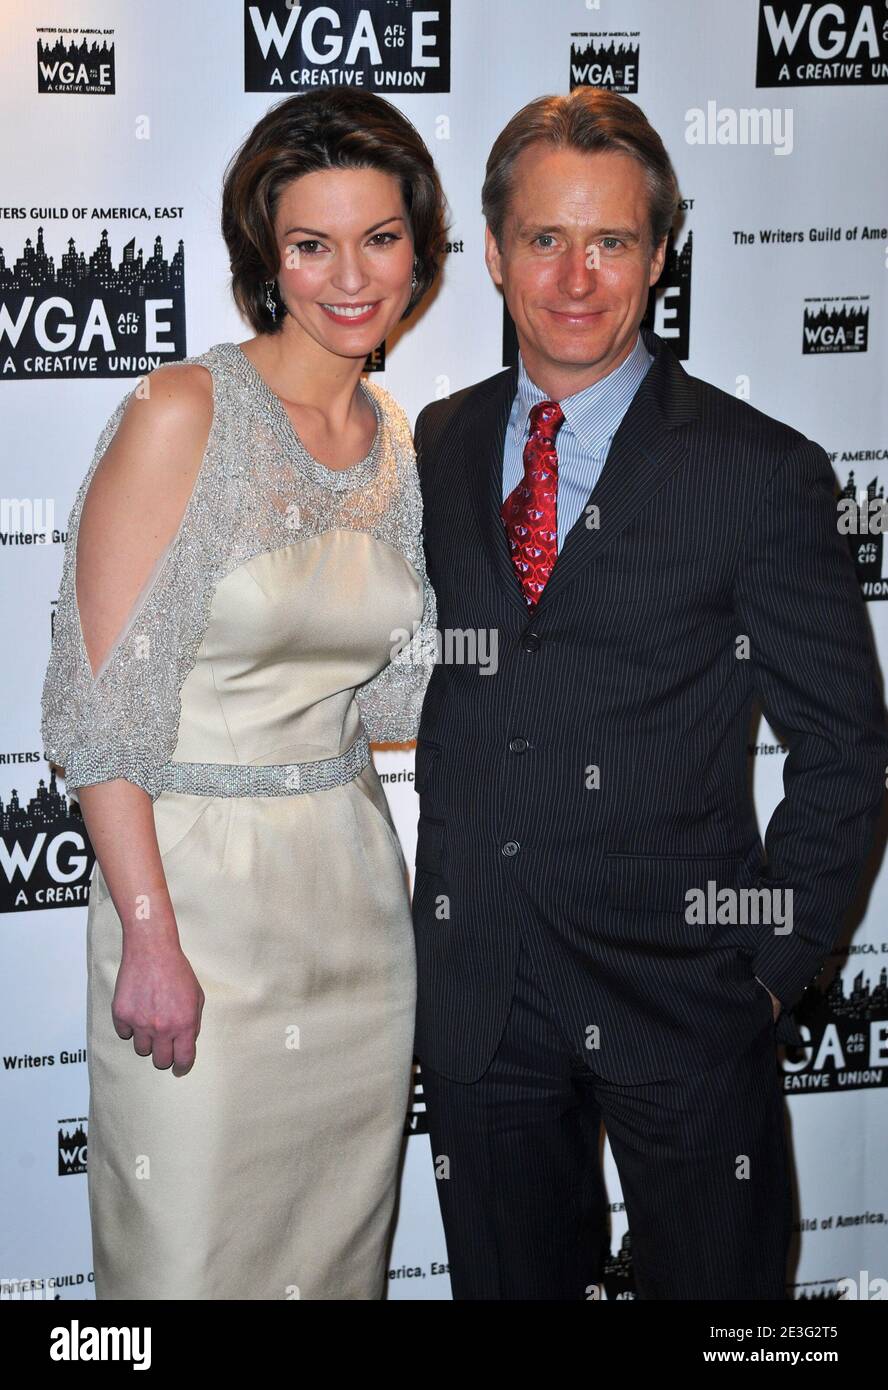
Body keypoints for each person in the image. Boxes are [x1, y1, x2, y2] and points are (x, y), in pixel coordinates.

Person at [410, 87, 888, 1300]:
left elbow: (844, 753)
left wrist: (767, 973)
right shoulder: (439, 444)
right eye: (546, 238)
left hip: (685, 1005)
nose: (577, 276)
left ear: (662, 254)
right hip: (484, 1015)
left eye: (613, 240)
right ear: (496, 250)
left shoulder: (759, 471)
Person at [40, 88, 444, 1300]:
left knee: (334, 1266)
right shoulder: (184, 414)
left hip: (355, 916)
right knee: (189, 1264)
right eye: (312, 244)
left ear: (420, 248)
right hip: (200, 913)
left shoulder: (400, 439)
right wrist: (150, 937)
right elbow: (96, 712)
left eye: (379, 237)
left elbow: (400, 705)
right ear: (267, 258)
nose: (350, 276)